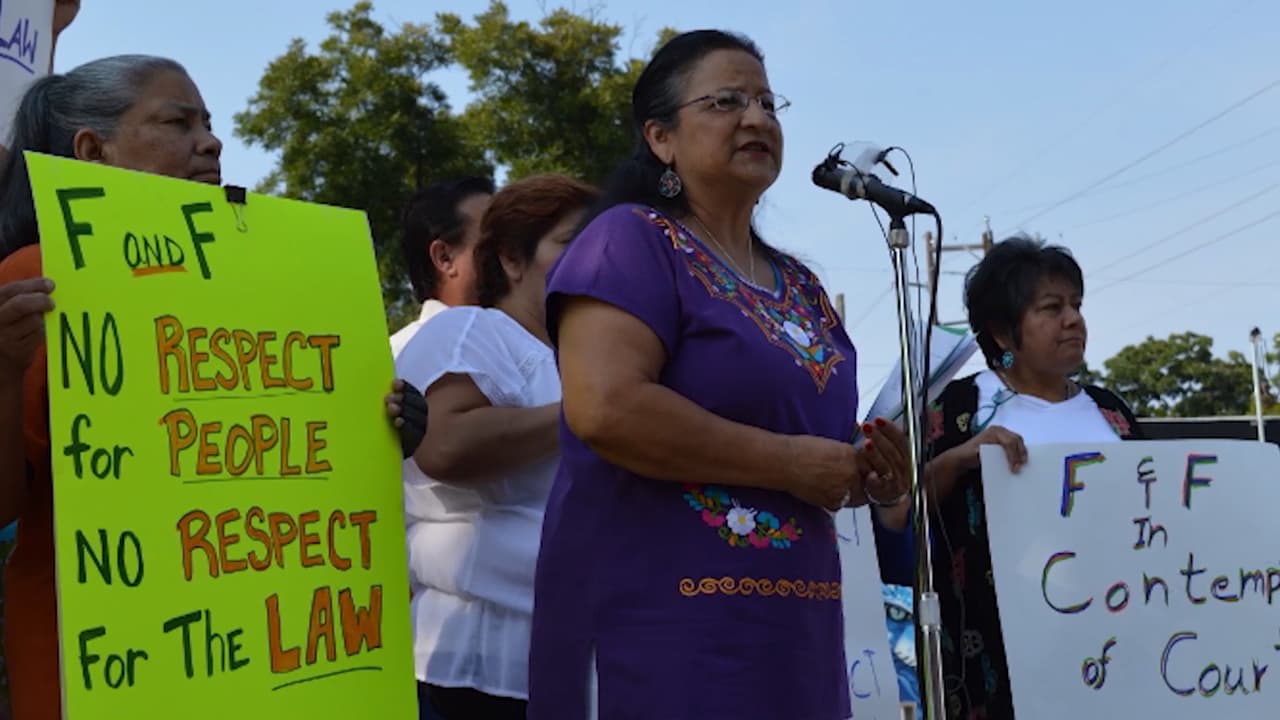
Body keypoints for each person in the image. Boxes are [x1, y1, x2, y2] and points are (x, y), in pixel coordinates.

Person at [526, 29, 911, 720]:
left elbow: (808, 444)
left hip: (796, 633)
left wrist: (866, 470)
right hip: (659, 628)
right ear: (661, 138)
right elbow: (605, 407)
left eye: (768, 102)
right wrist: (791, 462)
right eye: (726, 101)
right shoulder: (630, 241)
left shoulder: (802, 287)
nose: (758, 118)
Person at [0, 54, 222, 720]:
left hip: (229, 649)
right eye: (178, 123)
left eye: (209, 123)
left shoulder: (245, 286)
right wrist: (6, 374)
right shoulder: (36, 283)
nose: (211, 141)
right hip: (98, 662)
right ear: (93, 151)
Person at [393, 174, 597, 720]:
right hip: (480, 665)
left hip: (578, 659)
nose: (596, 260)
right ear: (511, 261)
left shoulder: (586, 358)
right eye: (572, 243)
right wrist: (593, 415)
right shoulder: (472, 331)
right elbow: (444, 446)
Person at [916, 236, 1143, 719]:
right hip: (999, 659)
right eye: (1051, 307)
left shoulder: (1111, 413)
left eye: (1077, 305)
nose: (1073, 319)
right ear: (1001, 332)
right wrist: (959, 459)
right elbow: (901, 510)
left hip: (1114, 642)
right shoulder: (957, 410)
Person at [392, 176, 495, 356]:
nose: (514, 252)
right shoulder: (398, 358)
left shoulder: (535, 343)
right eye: (494, 239)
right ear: (444, 257)